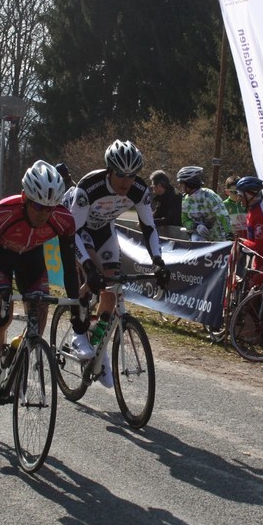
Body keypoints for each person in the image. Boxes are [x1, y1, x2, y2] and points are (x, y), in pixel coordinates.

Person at [0, 161, 89, 411]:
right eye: (37, 206)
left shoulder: (63, 220)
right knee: (2, 318)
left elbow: (70, 268)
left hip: (31, 260)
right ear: (25, 198)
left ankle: (20, 346)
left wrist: (76, 308)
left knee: (40, 311)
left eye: (49, 208)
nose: (43, 214)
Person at [62, 140, 170, 386]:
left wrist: (158, 262)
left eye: (132, 175)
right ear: (109, 170)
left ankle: (99, 350)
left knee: (111, 287)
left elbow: (149, 227)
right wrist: (88, 267)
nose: (126, 181)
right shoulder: (89, 187)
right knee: (91, 277)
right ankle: (79, 332)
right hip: (78, 231)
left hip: (104, 230)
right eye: (121, 174)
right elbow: (72, 233)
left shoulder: (139, 190)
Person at [234, 176, 263, 289]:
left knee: (251, 293)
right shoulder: (255, 208)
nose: (238, 199)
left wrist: (240, 242)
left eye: (240, 196)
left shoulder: (261, 213)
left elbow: (259, 246)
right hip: (262, 259)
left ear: (249, 195)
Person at [177, 166, 232, 242]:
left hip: (218, 239)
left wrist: (229, 235)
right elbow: (185, 220)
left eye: (181, 183)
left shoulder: (209, 195)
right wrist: (196, 226)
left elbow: (223, 216)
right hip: (200, 239)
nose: (179, 186)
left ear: (190, 183)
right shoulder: (185, 200)